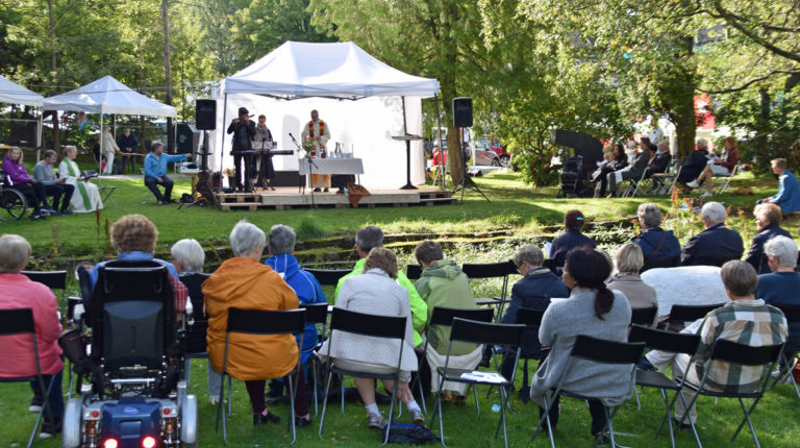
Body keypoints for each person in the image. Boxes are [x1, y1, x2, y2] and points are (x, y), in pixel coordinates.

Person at [642, 261, 787, 428]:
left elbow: (698, 351)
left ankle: (685, 419)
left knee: (681, 351)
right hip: (753, 380)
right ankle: (651, 361)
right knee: (692, 332)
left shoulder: (719, 317)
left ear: (728, 289)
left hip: (714, 380)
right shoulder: (778, 317)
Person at [203, 221, 311, 427]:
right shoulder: (271, 279)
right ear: (257, 248)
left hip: (228, 355)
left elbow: (210, 311)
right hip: (271, 355)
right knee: (275, 351)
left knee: (250, 345)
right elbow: (292, 305)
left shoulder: (216, 280)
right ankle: (302, 414)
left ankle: (259, 411)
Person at [529, 248, 633, 444]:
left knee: (549, 359)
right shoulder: (620, 300)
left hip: (571, 378)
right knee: (593, 359)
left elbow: (544, 339)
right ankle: (600, 428)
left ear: (574, 278)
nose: (562, 272)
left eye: (565, 268)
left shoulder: (559, 310)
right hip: (612, 377)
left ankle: (548, 422)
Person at [319, 247, 424, 429]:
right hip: (386, 361)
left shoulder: (350, 284)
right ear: (392, 267)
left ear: (368, 263)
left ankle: (373, 413)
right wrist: (404, 371)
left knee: (363, 353)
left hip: (349, 360)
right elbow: (407, 335)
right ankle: (414, 408)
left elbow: (338, 321)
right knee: (383, 358)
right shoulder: (400, 292)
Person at [0, 234, 65, 438]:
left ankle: (39, 394)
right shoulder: (40, 292)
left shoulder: (39, 292)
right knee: (56, 351)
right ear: (25, 260)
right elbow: (51, 334)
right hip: (32, 364)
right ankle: (53, 417)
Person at [334, 226, 427, 348]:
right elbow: (420, 314)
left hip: (352, 350)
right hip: (394, 352)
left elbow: (340, 321)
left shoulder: (345, 282)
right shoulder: (399, 279)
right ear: (382, 246)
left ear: (357, 247)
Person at [264, 224, 326, 401]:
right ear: (293, 249)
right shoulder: (308, 279)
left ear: (269, 250)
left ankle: (276, 384)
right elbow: (321, 306)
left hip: (267, 340)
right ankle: (303, 383)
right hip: (302, 343)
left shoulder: (258, 280)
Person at [413, 241, 480, 401]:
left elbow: (419, 319)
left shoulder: (423, 283)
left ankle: (435, 388)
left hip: (440, 347)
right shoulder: (463, 276)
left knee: (414, 337)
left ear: (422, 263)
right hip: (472, 343)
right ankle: (457, 391)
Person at [86, 215, 187, 321]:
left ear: (116, 242)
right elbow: (174, 306)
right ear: (152, 240)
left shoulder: (101, 270)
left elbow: (93, 306)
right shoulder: (167, 269)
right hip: (157, 333)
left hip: (110, 332)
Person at [499, 245, 569, 380]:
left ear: (525, 264)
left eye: (518, 268)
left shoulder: (521, 286)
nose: (520, 272)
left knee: (507, 335)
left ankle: (506, 380)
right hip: (553, 343)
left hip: (524, 343)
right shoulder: (561, 286)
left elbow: (510, 319)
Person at [170, 239, 222, 405]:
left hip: (182, 342)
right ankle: (216, 395)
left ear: (178, 262)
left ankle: (181, 391)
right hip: (210, 341)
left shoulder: (174, 285)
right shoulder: (215, 283)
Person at [680, 202, 744, 266]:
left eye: (702, 218)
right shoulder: (735, 236)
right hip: (728, 274)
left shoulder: (700, 240)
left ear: (707, 219)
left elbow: (681, 260)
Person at [607, 243, 658, 324]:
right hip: (641, 335)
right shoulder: (650, 291)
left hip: (615, 336)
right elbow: (653, 325)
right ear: (641, 261)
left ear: (618, 261)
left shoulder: (607, 290)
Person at [2, 146, 49, 219]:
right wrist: (29, 180)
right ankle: (37, 210)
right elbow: (14, 176)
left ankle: (45, 205)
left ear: (19, 155)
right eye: (13, 153)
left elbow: (25, 174)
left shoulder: (20, 163)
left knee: (39, 185)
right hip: (13, 184)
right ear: (10, 154)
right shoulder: (7, 163)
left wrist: (29, 179)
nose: (15, 155)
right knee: (30, 190)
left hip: (22, 182)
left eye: (17, 154)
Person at [744, 203, 791, 274]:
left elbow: (751, 263)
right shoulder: (787, 235)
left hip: (762, 276)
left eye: (757, 219)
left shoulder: (760, 238)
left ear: (766, 221)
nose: (756, 222)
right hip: (786, 274)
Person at [632, 203, 681, 268]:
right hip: (670, 276)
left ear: (641, 221)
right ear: (660, 218)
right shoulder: (673, 239)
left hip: (645, 277)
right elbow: (678, 264)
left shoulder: (638, 244)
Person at [549, 209, 597, 275]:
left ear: (565, 224)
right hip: (586, 280)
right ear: (582, 224)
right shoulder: (590, 243)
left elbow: (552, 266)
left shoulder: (558, 242)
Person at [58, 146, 104, 213]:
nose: (76, 154)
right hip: (70, 183)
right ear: (68, 153)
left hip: (77, 181)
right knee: (87, 188)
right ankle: (83, 207)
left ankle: (95, 206)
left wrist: (84, 178)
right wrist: (77, 178)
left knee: (93, 186)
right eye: (74, 152)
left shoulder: (74, 163)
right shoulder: (63, 163)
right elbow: (63, 177)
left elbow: (78, 175)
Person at [144, 140, 188, 205]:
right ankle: (161, 199)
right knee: (151, 182)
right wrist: (156, 177)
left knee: (170, 183)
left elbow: (173, 157)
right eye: (161, 148)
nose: (162, 149)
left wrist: (184, 155)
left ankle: (167, 199)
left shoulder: (164, 156)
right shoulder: (148, 158)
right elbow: (147, 170)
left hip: (162, 176)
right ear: (155, 149)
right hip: (150, 177)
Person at [33, 150, 74, 216]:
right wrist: (54, 182)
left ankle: (64, 208)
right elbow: (40, 182)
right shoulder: (40, 166)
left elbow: (53, 177)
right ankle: (55, 209)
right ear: (47, 158)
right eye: (53, 159)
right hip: (43, 188)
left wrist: (60, 180)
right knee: (59, 188)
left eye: (55, 159)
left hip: (52, 184)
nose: (54, 161)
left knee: (70, 187)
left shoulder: (50, 165)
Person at [226, 107, 256, 192]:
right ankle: (239, 186)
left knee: (248, 168)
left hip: (247, 149)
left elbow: (253, 133)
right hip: (237, 149)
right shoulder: (236, 123)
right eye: (240, 115)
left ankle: (247, 187)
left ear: (246, 115)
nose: (241, 116)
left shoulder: (252, 123)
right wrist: (232, 124)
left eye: (243, 115)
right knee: (238, 168)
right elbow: (228, 131)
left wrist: (248, 124)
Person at [300, 109, 331, 192]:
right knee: (314, 167)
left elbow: (328, 136)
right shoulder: (308, 124)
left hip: (321, 147)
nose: (313, 118)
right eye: (312, 117)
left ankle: (326, 186)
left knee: (324, 166)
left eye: (314, 116)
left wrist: (320, 138)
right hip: (312, 148)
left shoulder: (323, 124)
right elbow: (303, 134)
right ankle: (317, 186)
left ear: (318, 115)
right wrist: (305, 141)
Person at [253, 114, 275, 190]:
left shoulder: (267, 130)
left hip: (265, 151)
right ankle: (253, 182)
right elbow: (252, 139)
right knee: (256, 166)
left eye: (263, 121)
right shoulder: (255, 130)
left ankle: (265, 182)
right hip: (257, 152)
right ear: (258, 121)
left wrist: (269, 145)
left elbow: (271, 140)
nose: (261, 123)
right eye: (260, 121)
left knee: (266, 167)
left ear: (265, 121)